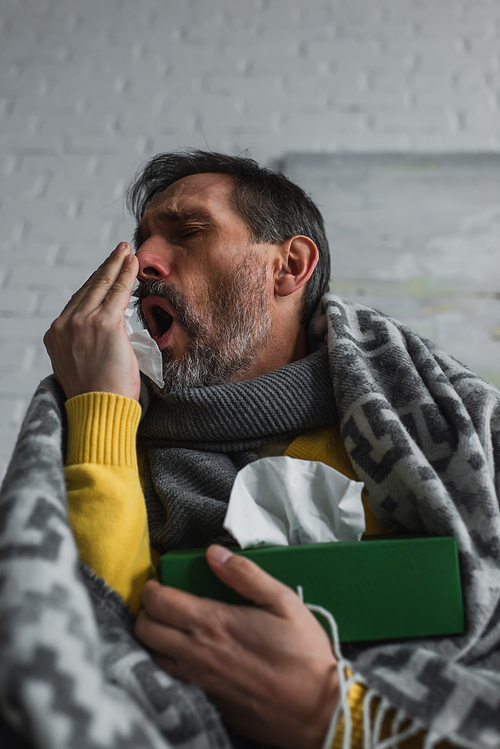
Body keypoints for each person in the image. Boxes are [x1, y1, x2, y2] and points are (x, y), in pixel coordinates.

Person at [42, 151, 500, 749]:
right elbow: (82, 662)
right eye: (140, 242)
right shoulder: (110, 441)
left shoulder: (440, 426)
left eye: (187, 232)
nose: (142, 263)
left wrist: (339, 714)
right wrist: (101, 410)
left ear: (290, 265)